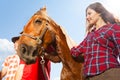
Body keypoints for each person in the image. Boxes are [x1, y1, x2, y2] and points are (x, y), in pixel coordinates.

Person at [70, 2, 120, 80]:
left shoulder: (113, 28)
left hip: (110, 73)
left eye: (89, 13)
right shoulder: (89, 36)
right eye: (86, 15)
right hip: (89, 77)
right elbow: (75, 52)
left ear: (99, 12)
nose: (87, 17)